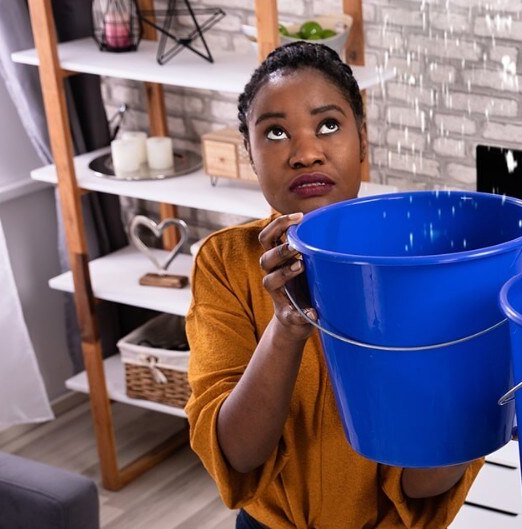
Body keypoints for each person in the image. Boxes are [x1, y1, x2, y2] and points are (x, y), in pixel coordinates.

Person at [185, 42, 480, 529]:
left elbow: (420, 485)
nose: (305, 153)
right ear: (250, 154)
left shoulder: (419, 267)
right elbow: (237, 455)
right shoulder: (226, 263)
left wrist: (480, 403)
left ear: (362, 139)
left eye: (327, 125)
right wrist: (286, 327)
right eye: (276, 132)